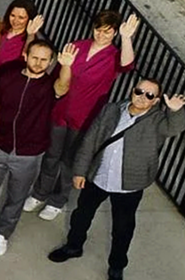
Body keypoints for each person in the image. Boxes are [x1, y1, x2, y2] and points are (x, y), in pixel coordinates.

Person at [47, 78, 185, 280]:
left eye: (149, 95)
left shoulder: (157, 121)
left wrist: (174, 111)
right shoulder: (111, 110)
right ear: (132, 90)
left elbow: (173, 129)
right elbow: (89, 142)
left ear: (155, 101)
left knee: (123, 228)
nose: (142, 97)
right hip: (99, 177)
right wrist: (79, 171)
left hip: (129, 184)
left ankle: (117, 265)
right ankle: (73, 246)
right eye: (139, 91)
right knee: (81, 215)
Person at [0, 39, 67, 255]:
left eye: (44, 60)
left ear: (50, 62)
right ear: (25, 56)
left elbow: (63, 86)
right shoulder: (8, 76)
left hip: (29, 153)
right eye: (35, 57)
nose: (39, 63)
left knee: (16, 195)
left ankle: (3, 233)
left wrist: (67, 66)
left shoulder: (49, 86)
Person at [30, 12, 138, 220]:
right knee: (51, 155)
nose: (101, 35)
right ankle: (39, 192)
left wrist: (126, 38)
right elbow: (58, 77)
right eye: (98, 30)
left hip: (85, 116)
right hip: (61, 111)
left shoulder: (114, 55)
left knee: (71, 160)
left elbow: (127, 65)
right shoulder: (77, 46)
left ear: (114, 33)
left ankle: (57, 200)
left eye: (108, 32)